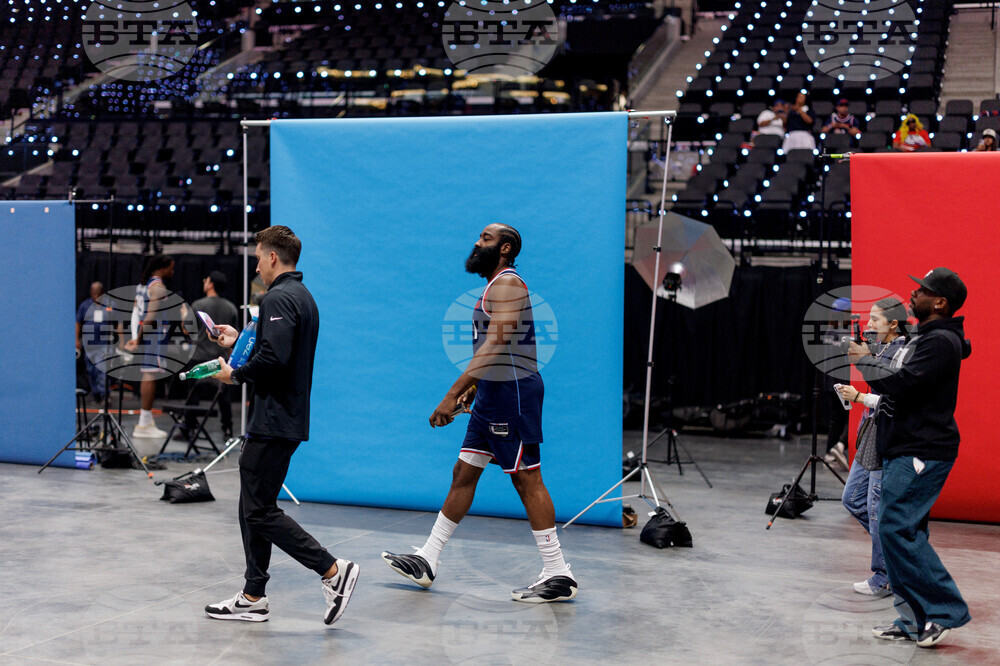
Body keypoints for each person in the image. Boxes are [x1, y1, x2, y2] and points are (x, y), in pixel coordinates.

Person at [381, 224, 578, 604]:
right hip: (491, 394)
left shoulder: (507, 284)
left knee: (526, 479)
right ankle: (428, 558)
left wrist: (452, 392)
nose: (477, 242)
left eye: (486, 239)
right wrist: (473, 390)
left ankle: (558, 571)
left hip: (513, 394)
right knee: (464, 471)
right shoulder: (492, 287)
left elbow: (498, 344)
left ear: (505, 248)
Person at [204, 225, 359, 626]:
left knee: (258, 511)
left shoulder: (279, 296)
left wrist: (233, 374)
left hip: (274, 420)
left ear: (273, 257)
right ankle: (254, 595)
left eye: (258, 256)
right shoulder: (300, 297)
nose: (256, 263)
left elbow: (274, 359)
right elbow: (275, 346)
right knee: (251, 505)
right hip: (281, 419)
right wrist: (239, 339)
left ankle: (332, 570)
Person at [849, 267, 971, 648]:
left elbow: (902, 386)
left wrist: (866, 361)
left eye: (922, 290)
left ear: (940, 302)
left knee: (896, 531)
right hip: (906, 447)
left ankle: (944, 611)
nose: (912, 294)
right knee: (900, 532)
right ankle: (914, 620)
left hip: (921, 450)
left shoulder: (939, 343)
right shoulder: (930, 338)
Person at [836, 298, 909, 599]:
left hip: (886, 436)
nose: (869, 325)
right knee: (852, 499)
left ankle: (884, 575)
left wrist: (858, 397)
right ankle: (894, 561)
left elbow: (897, 402)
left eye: (876, 320)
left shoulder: (903, 354)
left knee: (878, 512)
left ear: (893, 324)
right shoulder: (882, 350)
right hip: (871, 436)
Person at [183, 270, 239, 439]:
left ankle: (188, 427)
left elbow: (186, 329)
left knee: (193, 395)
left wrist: (183, 316)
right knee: (223, 397)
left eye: (206, 280)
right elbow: (233, 338)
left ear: (211, 284)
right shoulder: (231, 307)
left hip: (198, 358)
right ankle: (227, 429)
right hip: (220, 360)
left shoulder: (198, 305)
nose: (204, 282)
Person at [126, 255, 174, 439]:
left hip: (146, 335)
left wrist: (134, 336)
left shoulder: (143, 286)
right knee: (149, 374)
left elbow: (135, 314)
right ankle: (144, 422)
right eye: (171, 268)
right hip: (153, 336)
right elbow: (150, 316)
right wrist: (137, 339)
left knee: (149, 373)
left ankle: (146, 420)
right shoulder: (158, 287)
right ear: (162, 268)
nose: (173, 271)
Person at [76, 281, 107, 401]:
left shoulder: (109, 305)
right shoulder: (85, 305)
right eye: (94, 293)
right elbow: (78, 323)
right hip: (88, 344)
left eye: (98, 293)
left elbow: (118, 323)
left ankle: (104, 394)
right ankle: (96, 394)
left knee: (102, 370)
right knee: (91, 371)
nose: (96, 295)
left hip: (104, 344)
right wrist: (76, 339)